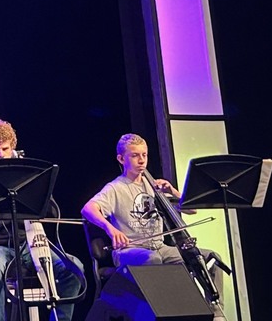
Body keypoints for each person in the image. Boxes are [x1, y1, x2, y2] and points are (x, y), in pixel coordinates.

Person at [81, 134, 225, 314]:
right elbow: (88, 209)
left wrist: (171, 190)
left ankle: (216, 313)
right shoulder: (115, 188)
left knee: (210, 258)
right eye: (134, 155)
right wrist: (111, 230)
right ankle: (166, 313)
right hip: (130, 250)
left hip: (160, 247)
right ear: (121, 158)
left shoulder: (153, 185)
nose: (141, 160)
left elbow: (191, 209)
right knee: (153, 260)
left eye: (144, 155)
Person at [0, 120, 83, 321]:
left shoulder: (27, 178)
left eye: (5, 148)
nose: (2, 154)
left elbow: (49, 211)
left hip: (29, 244)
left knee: (75, 267)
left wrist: (37, 189)